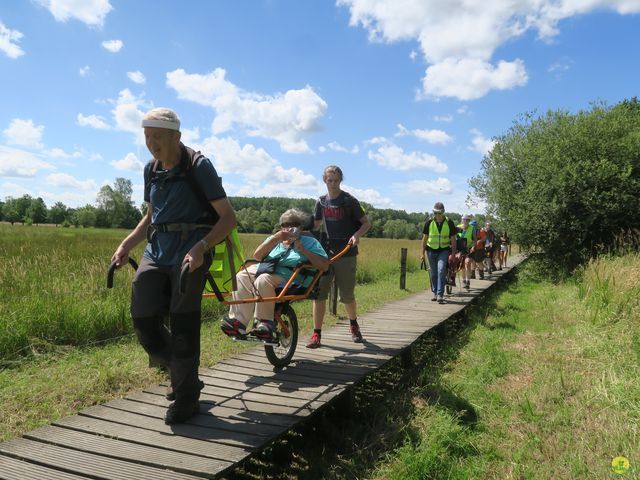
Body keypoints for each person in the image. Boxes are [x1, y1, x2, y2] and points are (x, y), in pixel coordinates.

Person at [111, 108, 236, 425]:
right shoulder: (151, 169)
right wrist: (127, 244)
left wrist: (201, 246)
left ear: (176, 137)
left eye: (158, 137)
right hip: (157, 250)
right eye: (147, 136)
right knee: (143, 317)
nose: (152, 143)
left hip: (191, 253)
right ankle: (184, 375)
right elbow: (152, 215)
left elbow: (228, 218)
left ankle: (185, 397)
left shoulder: (199, 166)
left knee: (183, 327)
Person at [221, 208, 329, 339]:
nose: (289, 228)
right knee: (241, 276)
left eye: (293, 224)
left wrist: (304, 250)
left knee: (263, 279)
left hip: (292, 276)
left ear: (300, 227)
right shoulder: (275, 239)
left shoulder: (310, 242)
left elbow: (324, 265)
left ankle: (264, 323)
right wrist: (275, 239)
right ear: (280, 227)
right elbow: (258, 255)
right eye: (285, 225)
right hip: (267, 268)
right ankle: (238, 322)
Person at [306, 165, 371, 349]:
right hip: (325, 255)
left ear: (340, 180)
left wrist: (356, 235)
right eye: (329, 180)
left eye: (335, 180)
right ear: (324, 180)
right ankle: (316, 334)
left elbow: (366, 224)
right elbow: (317, 225)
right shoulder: (321, 202)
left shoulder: (349, 201)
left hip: (346, 253)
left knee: (347, 296)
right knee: (319, 295)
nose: (332, 184)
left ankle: (354, 325)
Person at [420, 202, 457, 303]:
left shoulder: (449, 222)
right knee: (433, 273)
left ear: (443, 212)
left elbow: (453, 239)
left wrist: (453, 253)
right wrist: (422, 254)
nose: (437, 215)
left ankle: (440, 294)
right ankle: (435, 293)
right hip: (431, 251)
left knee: (441, 270)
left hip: (444, 250)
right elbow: (424, 238)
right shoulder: (429, 223)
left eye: (439, 213)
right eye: (435, 213)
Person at [456, 214, 476, 289]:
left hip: (469, 249)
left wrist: (473, 246)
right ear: (462, 220)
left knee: (467, 263)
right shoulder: (458, 227)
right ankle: (464, 281)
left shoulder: (472, 228)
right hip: (460, 249)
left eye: (467, 220)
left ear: (469, 221)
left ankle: (468, 281)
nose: (465, 221)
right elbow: (454, 237)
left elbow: (475, 239)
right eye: (464, 220)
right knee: (462, 266)